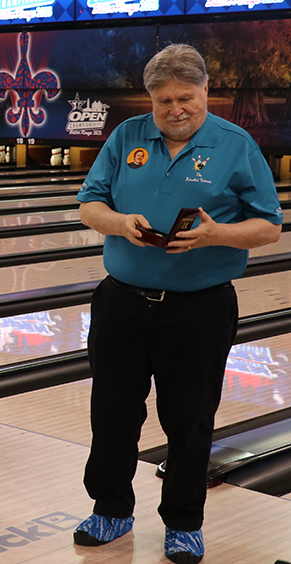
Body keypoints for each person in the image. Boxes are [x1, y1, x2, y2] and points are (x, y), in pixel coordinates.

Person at [73, 44, 282, 564]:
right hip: (121, 303)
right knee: (112, 412)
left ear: (206, 90)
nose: (175, 109)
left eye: (185, 98)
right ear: (150, 99)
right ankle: (111, 509)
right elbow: (89, 204)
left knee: (189, 419)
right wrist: (120, 223)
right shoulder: (127, 136)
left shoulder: (236, 144)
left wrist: (217, 234)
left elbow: (269, 226)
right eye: (163, 101)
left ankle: (184, 523)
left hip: (199, 309)